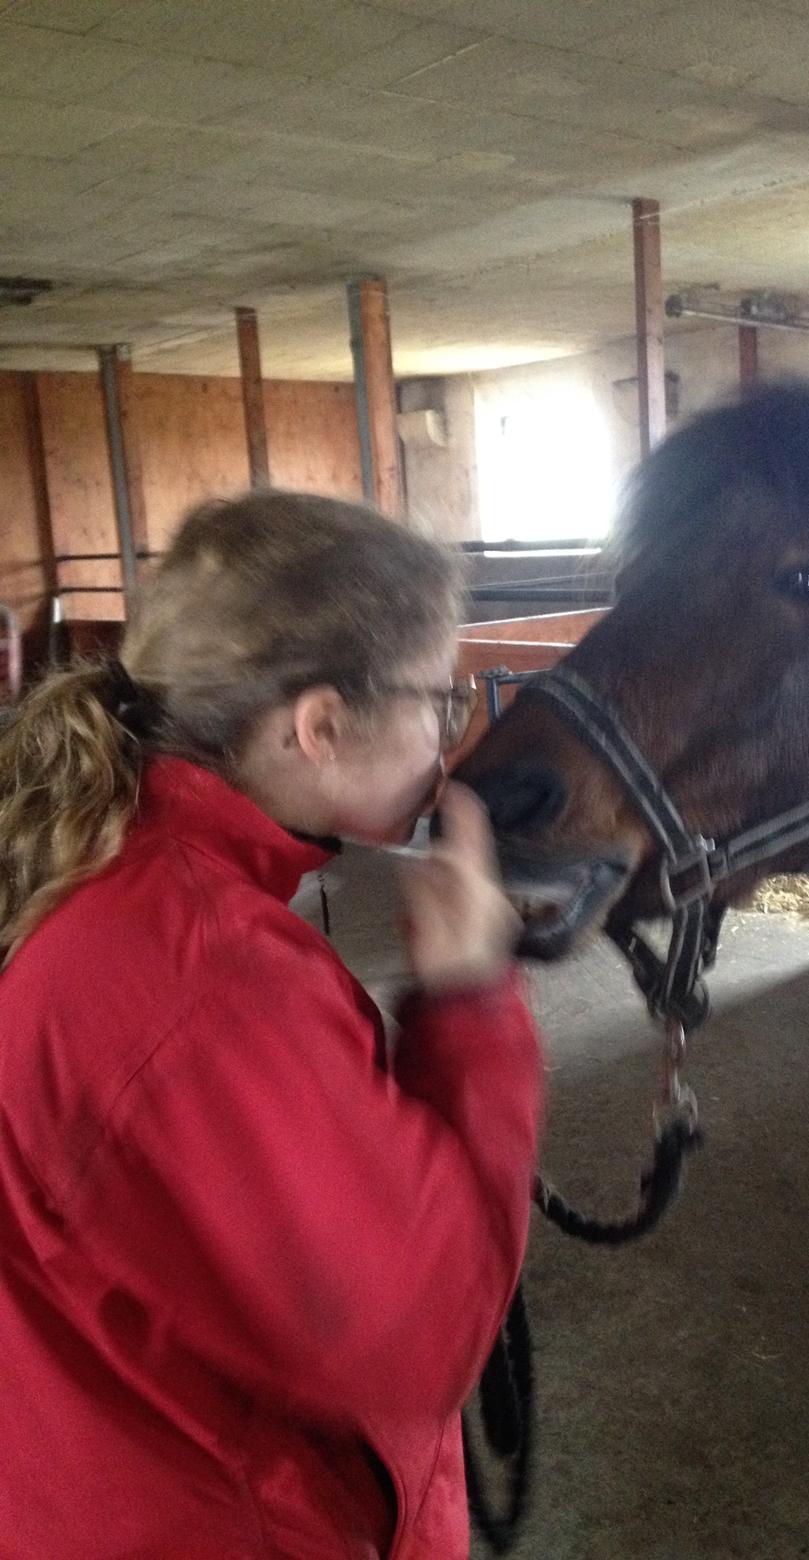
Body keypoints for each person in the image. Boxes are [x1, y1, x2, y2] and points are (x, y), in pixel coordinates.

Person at [0, 491, 544, 1559]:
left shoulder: (106, 857)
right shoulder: (209, 977)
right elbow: (424, 1330)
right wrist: (472, 1007)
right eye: (441, 699)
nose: (450, 738)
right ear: (321, 726)